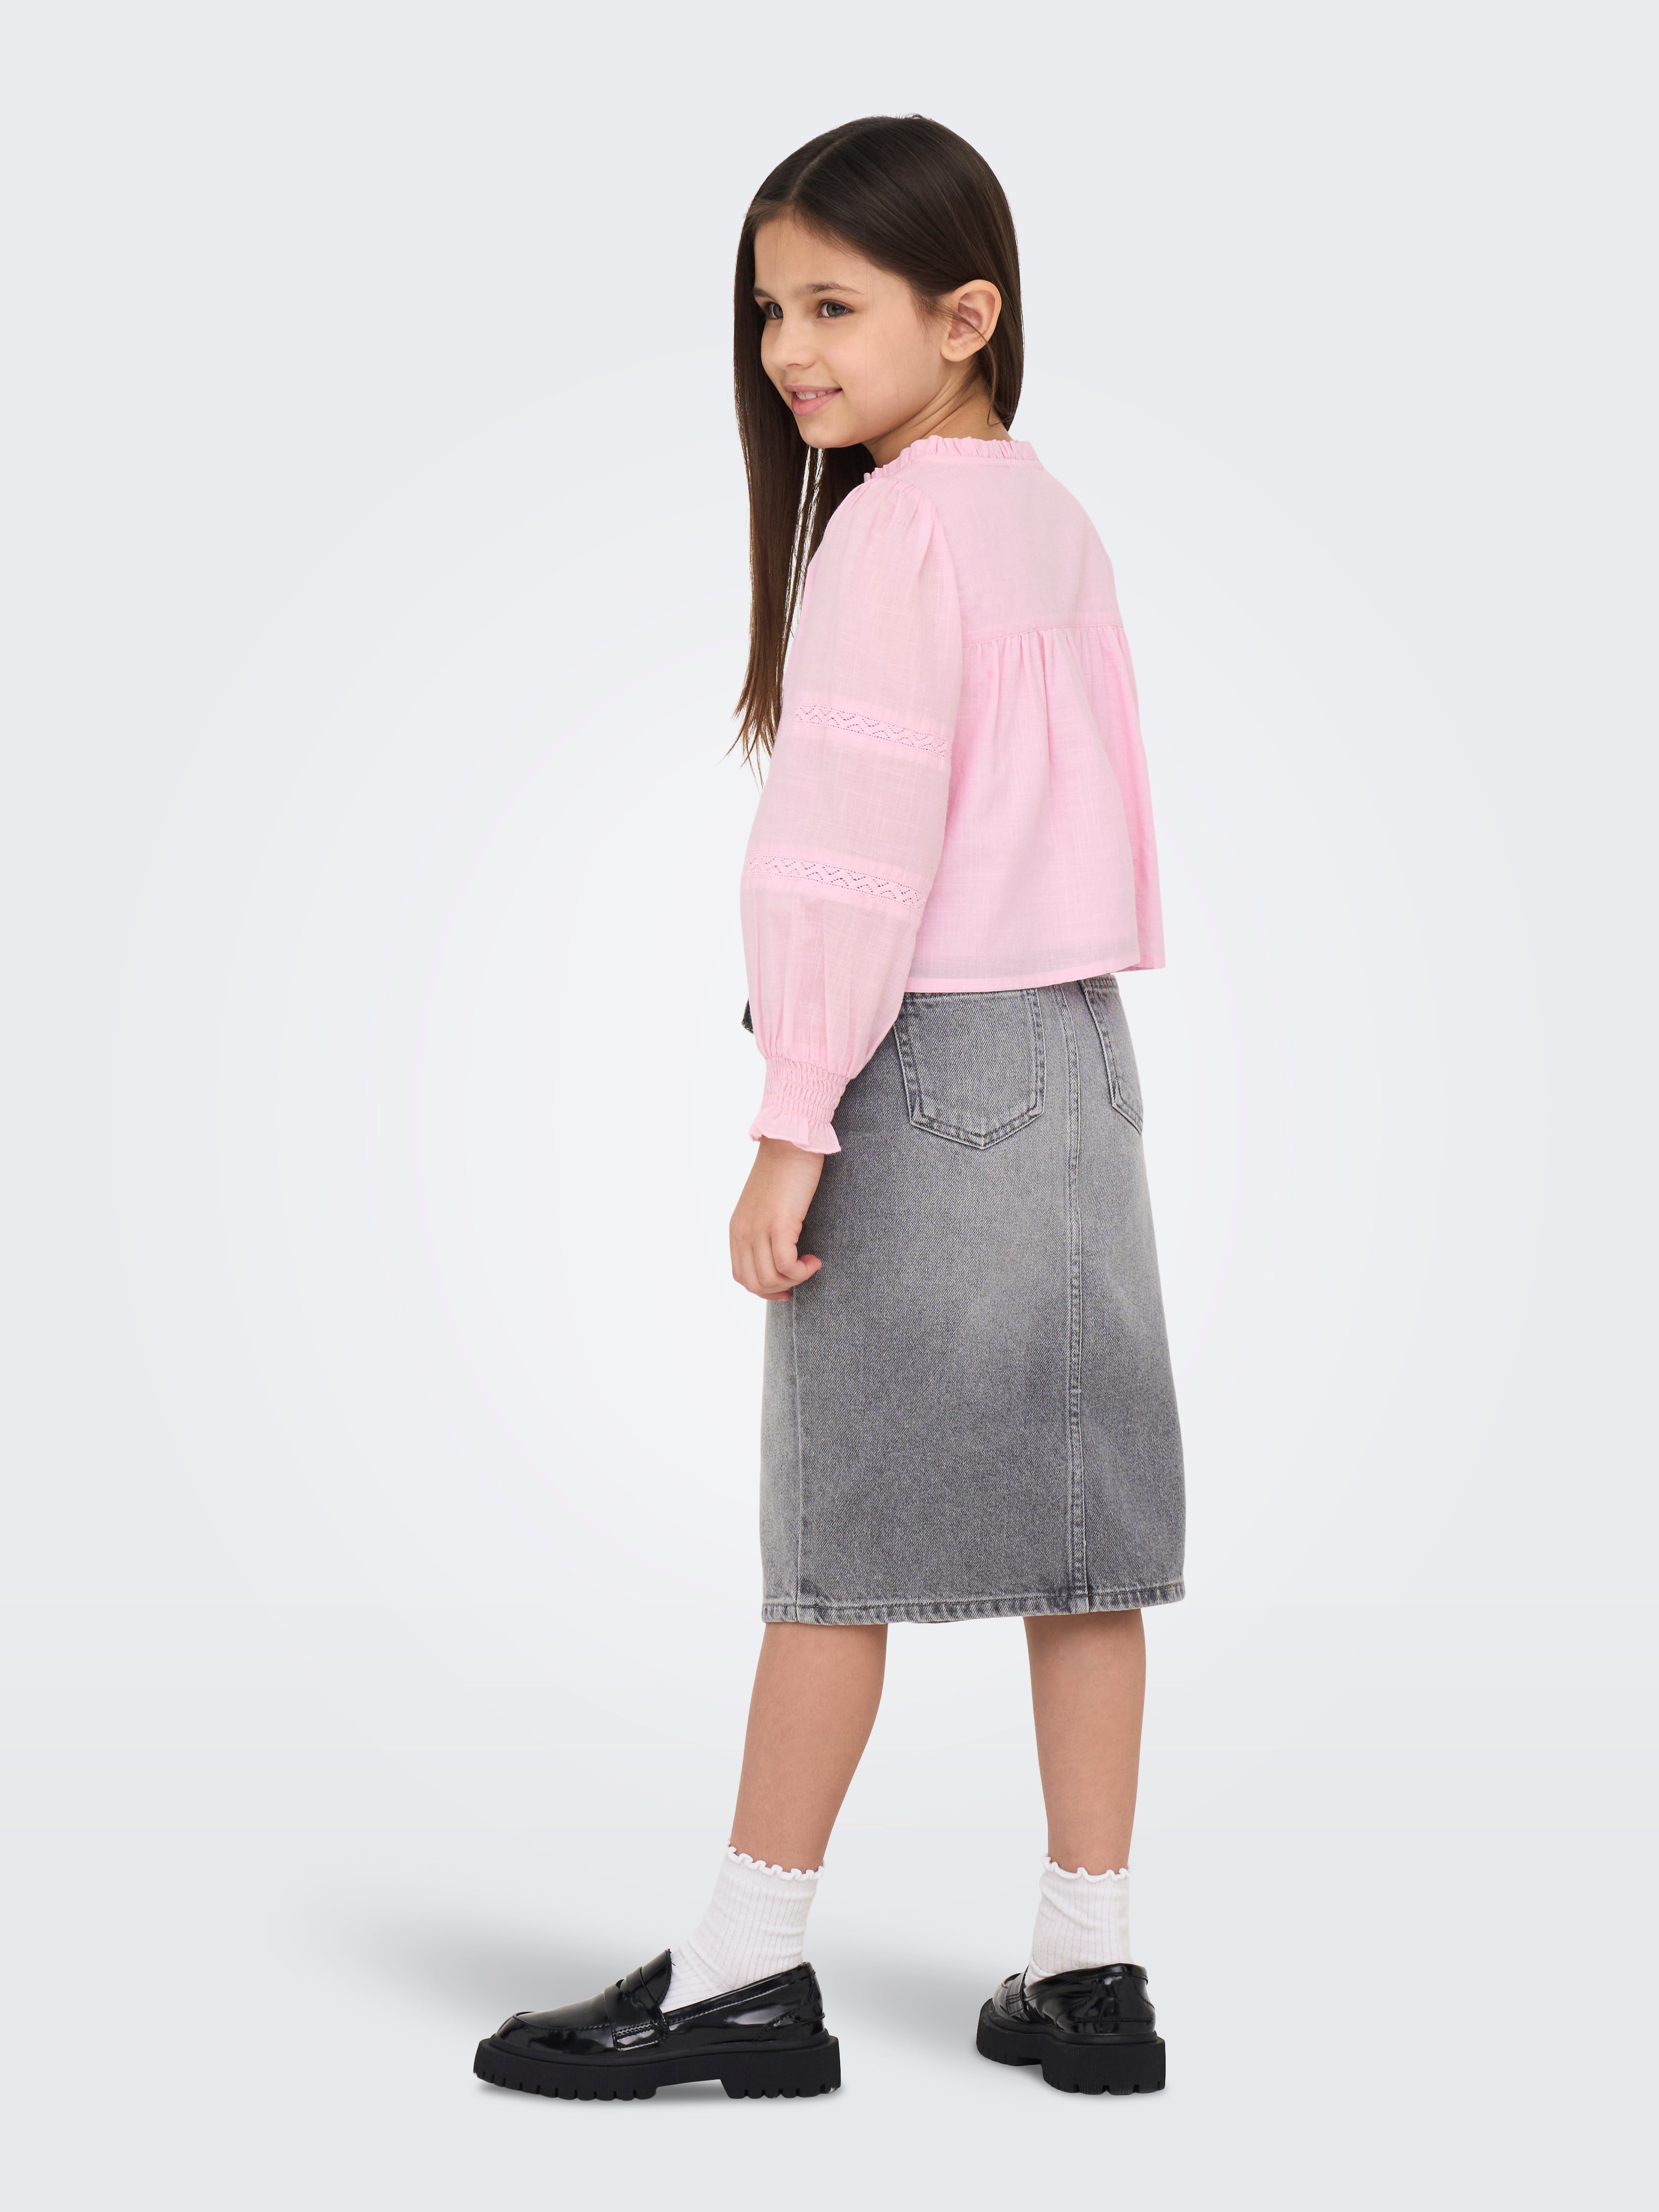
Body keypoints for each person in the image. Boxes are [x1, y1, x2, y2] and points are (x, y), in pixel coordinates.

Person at [473, 114, 1184, 2105]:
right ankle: (1092, 1971)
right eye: (770, 307)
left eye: (834, 306)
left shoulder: (891, 527)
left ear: (966, 317)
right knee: (1086, 1543)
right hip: (1077, 1057)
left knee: (831, 1548)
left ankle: (743, 1966)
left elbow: (855, 849)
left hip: (923, 1067)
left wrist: (796, 1119)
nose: (790, 347)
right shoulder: (1050, 515)